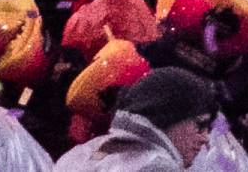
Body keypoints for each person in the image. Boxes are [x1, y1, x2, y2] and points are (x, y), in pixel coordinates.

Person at [56, 71, 221, 172]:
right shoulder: (157, 167)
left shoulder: (88, 151)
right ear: (169, 117)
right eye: (200, 126)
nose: (205, 139)